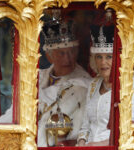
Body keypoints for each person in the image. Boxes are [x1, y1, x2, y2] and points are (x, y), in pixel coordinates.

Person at [77, 24, 134, 146]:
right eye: (99, 57)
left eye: (109, 57)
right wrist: (81, 144)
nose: (103, 62)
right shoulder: (94, 84)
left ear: (119, 58)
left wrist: (99, 145)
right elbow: (85, 126)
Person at [37, 14, 91, 147]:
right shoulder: (37, 76)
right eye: (61, 53)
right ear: (49, 56)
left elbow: (76, 130)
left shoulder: (84, 84)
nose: (68, 59)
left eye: (72, 52)